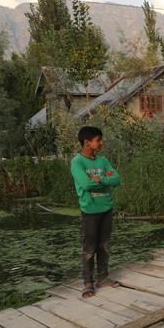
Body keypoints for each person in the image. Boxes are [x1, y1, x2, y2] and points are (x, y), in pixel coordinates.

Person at [70, 126, 121, 298]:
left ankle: (103, 278)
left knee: (104, 245)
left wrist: (101, 179)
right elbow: (86, 184)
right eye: (98, 140)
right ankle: (88, 283)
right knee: (89, 248)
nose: (101, 143)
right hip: (90, 211)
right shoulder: (77, 162)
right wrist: (105, 181)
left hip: (106, 208)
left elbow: (117, 179)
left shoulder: (103, 160)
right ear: (87, 143)